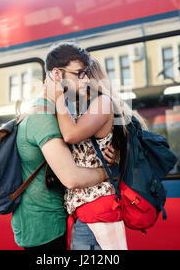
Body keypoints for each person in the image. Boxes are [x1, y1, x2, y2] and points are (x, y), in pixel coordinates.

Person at [11, 42, 116, 250]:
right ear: (57, 74)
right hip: (45, 228)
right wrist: (108, 172)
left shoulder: (55, 113)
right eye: (79, 74)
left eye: (86, 73)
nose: (86, 79)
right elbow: (72, 178)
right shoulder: (42, 118)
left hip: (50, 222)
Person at [53, 56, 147, 250]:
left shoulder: (101, 104)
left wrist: (57, 97)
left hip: (94, 217)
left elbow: (70, 135)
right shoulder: (86, 110)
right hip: (91, 215)